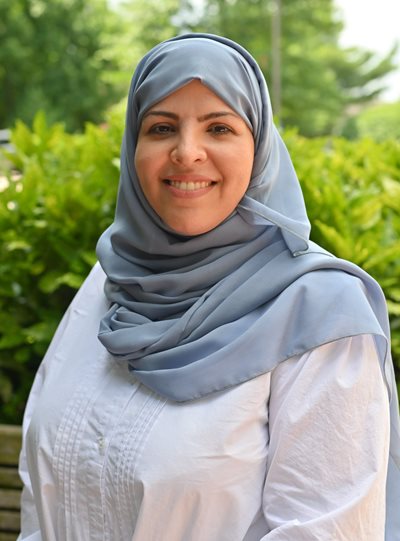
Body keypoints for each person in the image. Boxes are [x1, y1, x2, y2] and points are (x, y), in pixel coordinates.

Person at [18, 33, 400, 541]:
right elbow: (40, 500)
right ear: (134, 146)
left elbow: (326, 530)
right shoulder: (110, 281)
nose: (187, 152)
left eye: (219, 127)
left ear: (259, 147)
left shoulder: (321, 312)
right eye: (161, 127)